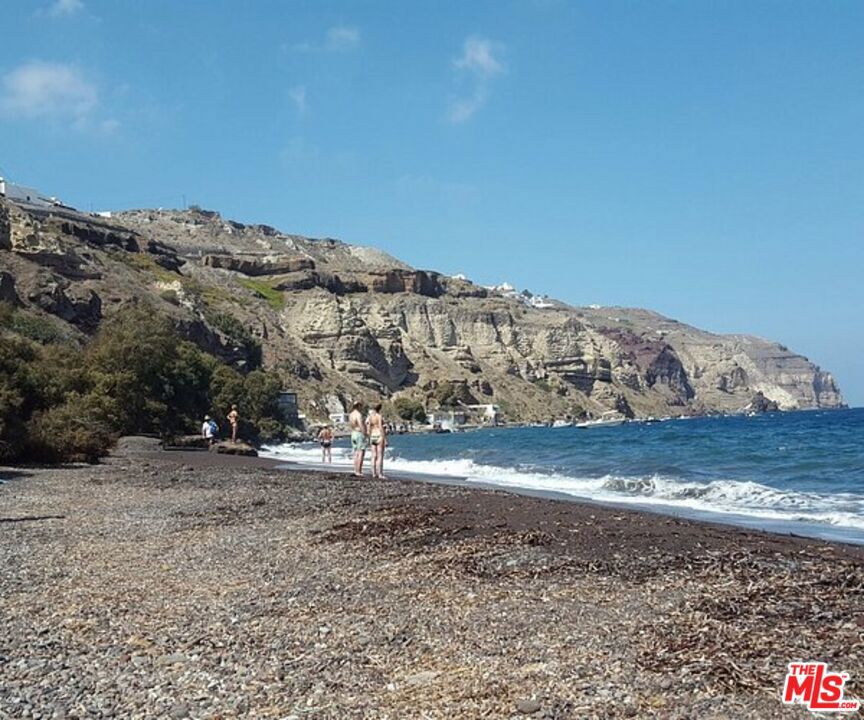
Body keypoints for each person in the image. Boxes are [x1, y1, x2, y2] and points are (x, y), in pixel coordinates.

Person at [366, 402, 388, 479]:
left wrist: (368, 437)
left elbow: (368, 429)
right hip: (379, 435)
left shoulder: (370, 417)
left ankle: (373, 473)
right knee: (380, 455)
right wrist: (385, 438)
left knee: (373, 455)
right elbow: (380, 427)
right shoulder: (379, 416)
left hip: (372, 435)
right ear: (380, 408)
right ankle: (380, 473)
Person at [348, 401, 367, 477]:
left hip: (353, 433)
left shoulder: (351, 414)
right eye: (361, 406)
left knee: (356, 453)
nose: (361, 407)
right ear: (358, 406)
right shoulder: (358, 414)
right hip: (359, 433)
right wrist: (365, 433)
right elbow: (360, 424)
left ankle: (356, 470)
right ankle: (359, 471)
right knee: (361, 452)